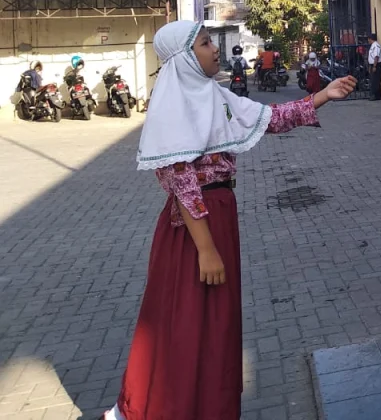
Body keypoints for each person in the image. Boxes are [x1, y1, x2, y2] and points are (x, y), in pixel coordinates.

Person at [103, 21, 357, 420]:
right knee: (187, 320)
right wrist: (205, 249)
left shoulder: (213, 95)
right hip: (195, 227)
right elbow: (181, 178)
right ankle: (171, 406)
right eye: (205, 44)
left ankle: (207, 405)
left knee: (212, 322)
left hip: (216, 216)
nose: (215, 49)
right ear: (186, 57)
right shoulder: (175, 103)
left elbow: (269, 118)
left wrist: (324, 94)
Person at [367, 33, 381, 101]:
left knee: (375, 81)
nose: (368, 40)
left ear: (371, 39)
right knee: (375, 80)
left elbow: (376, 56)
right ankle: (377, 96)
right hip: (373, 64)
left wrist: (374, 66)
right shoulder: (373, 45)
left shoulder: (376, 46)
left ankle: (374, 96)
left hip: (377, 65)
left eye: (368, 39)